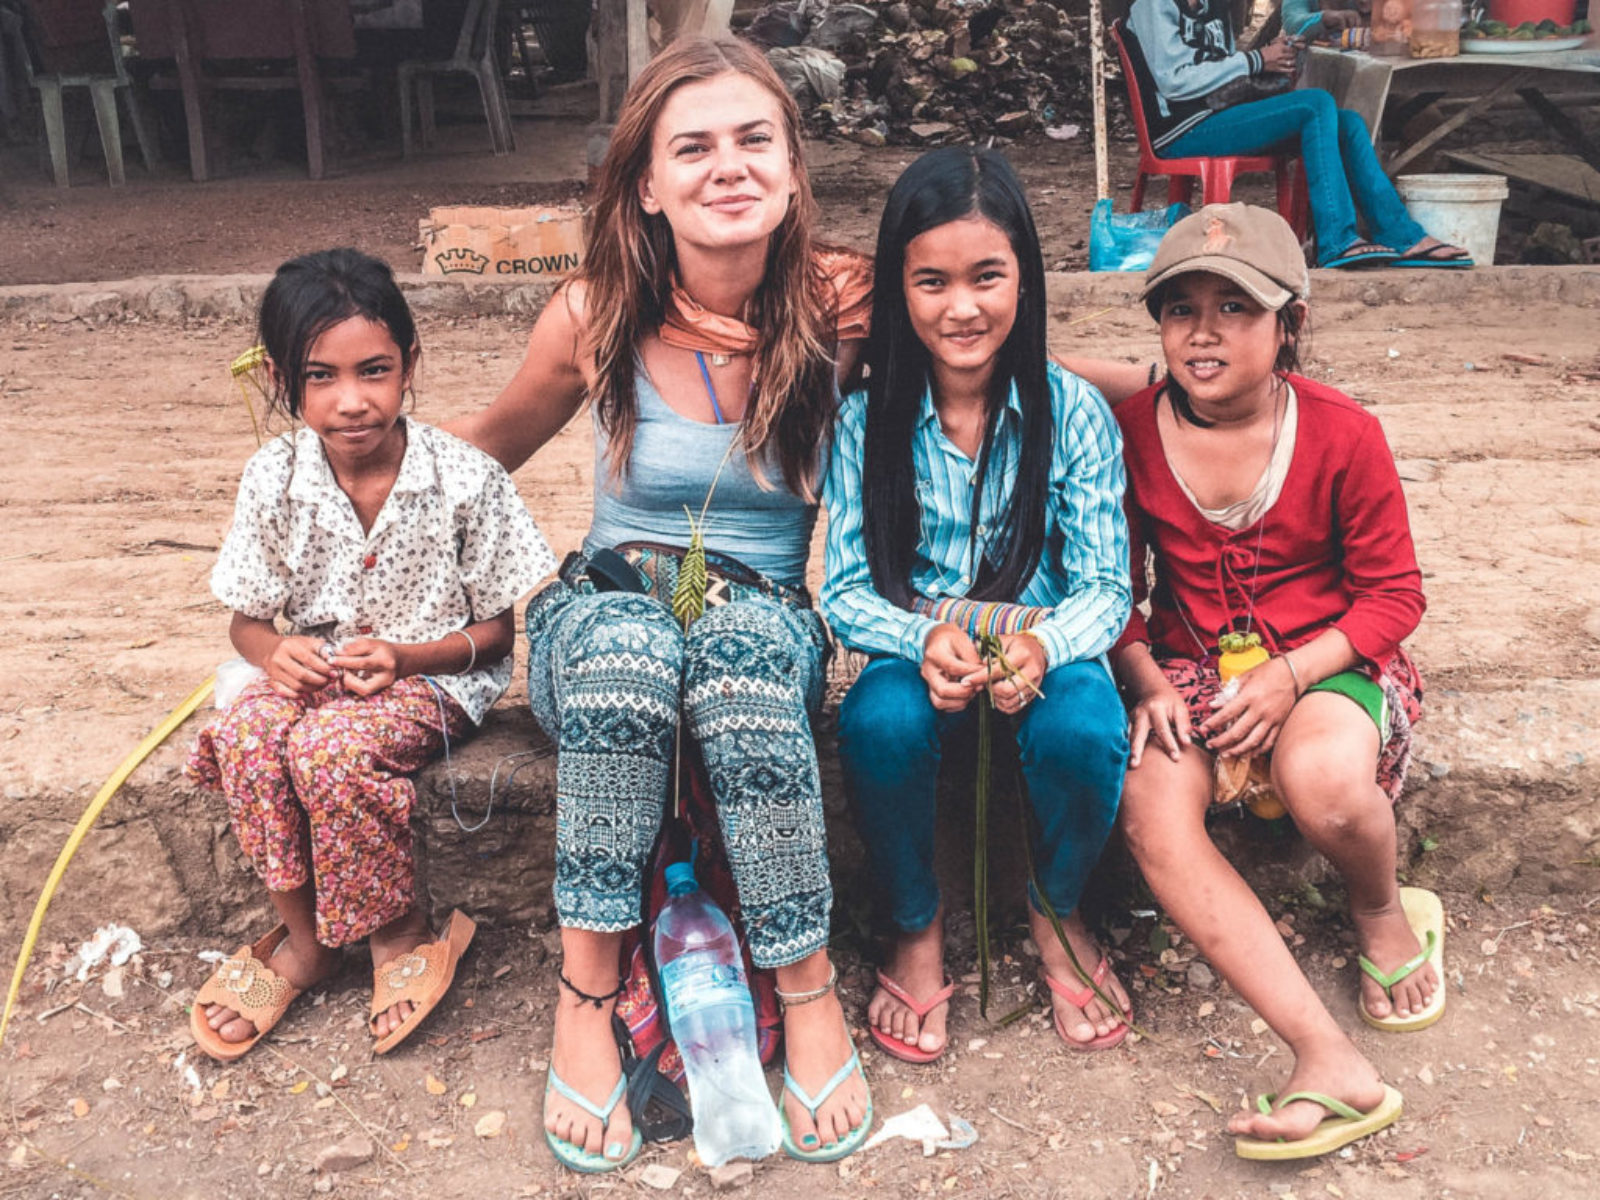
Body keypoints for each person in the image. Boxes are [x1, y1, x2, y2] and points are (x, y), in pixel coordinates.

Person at [450, 36, 874, 1172]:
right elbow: (472, 460)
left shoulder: (843, 306)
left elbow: (1009, 362)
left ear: (790, 169)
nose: (726, 167)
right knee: (632, 657)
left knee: (737, 661)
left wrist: (1207, 393)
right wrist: (324, 539)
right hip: (603, 604)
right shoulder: (593, 314)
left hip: (763, 612)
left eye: (753, 140)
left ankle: (807, 982)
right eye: (693, 147)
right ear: (647, 183)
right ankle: (585, 994)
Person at [1112, 203, 1438, 1160]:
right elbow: (1110, 587)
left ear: (1290, 323)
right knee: (1149, 805)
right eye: (1179, 310)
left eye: (1235, 309)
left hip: (1328, 657)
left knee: (1326, 786)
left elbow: (1394, 595)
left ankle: (1380, 907)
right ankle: (1322, 1052)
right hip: (1185, 670)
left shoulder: (1342, 432)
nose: (1203, 332)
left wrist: (1295, 675)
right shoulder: (1131, 430)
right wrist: (1143, 678)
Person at [185, 248, 555, 1063]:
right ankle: (305, 937)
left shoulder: (466, 477)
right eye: (321, 377)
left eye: (374, 371)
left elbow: (495, 636)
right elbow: (246, 625)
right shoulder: (272, 477)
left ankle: (399, 932)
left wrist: (407, 657)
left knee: (329, 751)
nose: (352, 401)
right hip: (320, 676)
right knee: (249, 737)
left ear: (410, 367)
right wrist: (276, 652)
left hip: (434, 678)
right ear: (285, 382)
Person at [823, 147, 1134, 1066]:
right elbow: (842, 589)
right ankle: (914, 924)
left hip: (1043, 648)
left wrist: (1043, 649)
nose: (962, 307)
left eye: (987, 276)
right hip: (919, 655)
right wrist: (926, 639)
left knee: (1085, 729)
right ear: (900, 291)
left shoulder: (1071, 412)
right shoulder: (865, 421)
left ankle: (1058, 907)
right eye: (932, 282)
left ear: (1026, 280)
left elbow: (1107, 586)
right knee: (877, 724)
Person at [1124, 0, 1473, 269]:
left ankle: (1402, 235)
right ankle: (1336, 240)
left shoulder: (1215, 6)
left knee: (1346, 122)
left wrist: (1281, 59)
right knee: (1315, 104)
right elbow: (1174, 81)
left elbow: (1222, 75)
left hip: (1220, 115)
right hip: (1181, 131)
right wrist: (1256, 61)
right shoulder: (1154, 5)